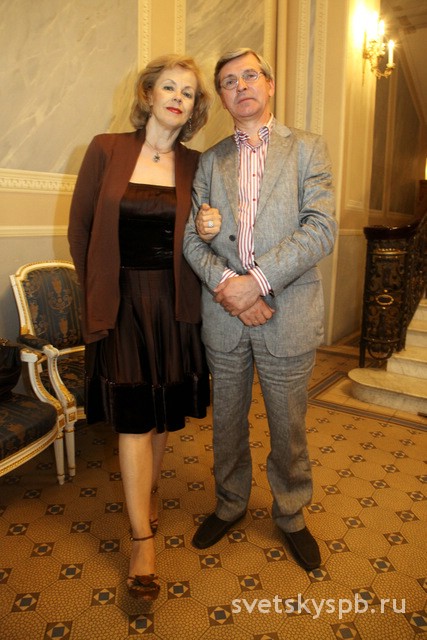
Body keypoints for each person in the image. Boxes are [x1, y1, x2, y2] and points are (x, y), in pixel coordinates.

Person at [183, 48, 337, 571]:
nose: (241, 85)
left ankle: (291, 514)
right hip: (225, 315)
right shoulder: (210, 160)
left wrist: (258, 283)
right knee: (226, 424)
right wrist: (232, 287)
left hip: (287, 312)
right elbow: (193, 239)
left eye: (250, 75)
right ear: (222, 97)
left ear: (269, 85)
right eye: (229, 81)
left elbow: (320, 229)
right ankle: (229, 504)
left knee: (287, 428)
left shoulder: (308, 149)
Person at [68, 54, 211, 600]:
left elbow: (206, 237)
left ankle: (148, 492)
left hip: (174, 302)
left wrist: (211, 226)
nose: (177, 97)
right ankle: (141, 540)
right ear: (148, 94)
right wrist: (98, 293)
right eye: (168, 87)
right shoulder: (106, 149)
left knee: (161, 412)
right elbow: (80, 229)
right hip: (122, 300)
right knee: (133, 418)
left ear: (195, 109)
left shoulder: (197, 165)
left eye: (188, 93)